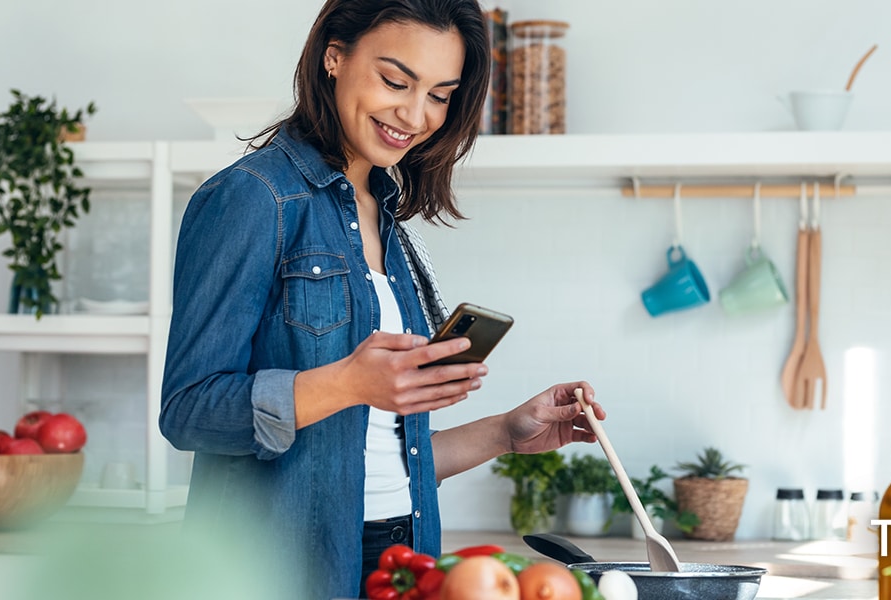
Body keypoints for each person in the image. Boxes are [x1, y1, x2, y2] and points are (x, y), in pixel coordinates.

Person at [160, 1, 606, 597]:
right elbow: (187, 410)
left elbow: (377, 459)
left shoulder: (389, 219)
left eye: (440, 95)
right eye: (396, 80)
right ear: (334, 56)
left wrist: (506, 432)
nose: (415, 114)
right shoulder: (253, 198)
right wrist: (346, 383)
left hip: (404, 561)